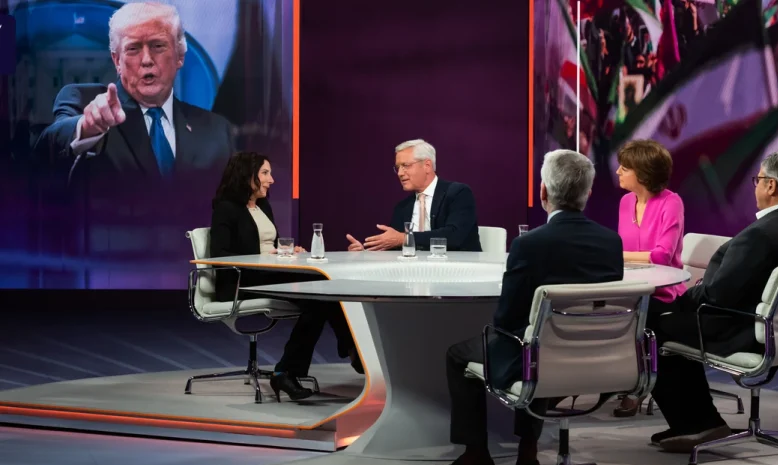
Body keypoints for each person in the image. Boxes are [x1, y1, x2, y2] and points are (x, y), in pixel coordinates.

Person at [430, 150, 624, 465]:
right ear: (588, 194)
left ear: (543, 191)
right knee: (541, 339)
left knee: (468, 353)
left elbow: (505, 318)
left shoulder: (529, 244)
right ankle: (527, 452)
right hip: (599, 358)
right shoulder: (611, 242)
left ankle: (476, 455)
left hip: (540, 359)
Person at [650, 152, 778, 452]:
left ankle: (699, 424)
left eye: (757, 180)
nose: (755, 186)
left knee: (650, 327)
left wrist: (684, 298)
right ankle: (697, 420)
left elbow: (718, 295)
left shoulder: (760, 235)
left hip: (738, 329)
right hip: (766, 329)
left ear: (771, 186)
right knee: (666, 319)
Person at [210, 152, 360, 402]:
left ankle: (286, 372)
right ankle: (350, 348)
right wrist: (264, 255)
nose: (272, 180)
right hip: (240, 281)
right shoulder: (226, 208)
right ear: (247, 176)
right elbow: (219, 255)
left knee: (323, 294)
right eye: (265, 173)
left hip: (267, 275)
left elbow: (270, 244)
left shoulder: (263, 206)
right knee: (319, 295)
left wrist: (287, 251)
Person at [34, 2, 233, 183]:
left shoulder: (216, 130)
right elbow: (45, 151)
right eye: (133, 49)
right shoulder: (82, 101)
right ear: (117, 61)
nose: (146, 60)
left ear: (179, 56)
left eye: (158, 46)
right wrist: (86, 128)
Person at [613, 139, 685, 417]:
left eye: (624, 168)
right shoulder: (625, 202)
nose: (618, 172)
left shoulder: (671, 202)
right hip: (630, 286)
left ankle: (638, 386)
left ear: (642, 174)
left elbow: (662, 256)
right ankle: (615, 378)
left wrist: (618, 255)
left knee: (637, 317)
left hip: (663, 292)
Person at [346, 139, 482, 252]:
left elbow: (454, 236)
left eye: (405, 165)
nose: (400, 173)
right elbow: (394, 246)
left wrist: (404, 238)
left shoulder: (458, 193)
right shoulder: (403, 207)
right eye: (398, 168)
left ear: (427, 165)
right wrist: (366, 253)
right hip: (414, 272)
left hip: (458, 271)